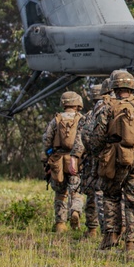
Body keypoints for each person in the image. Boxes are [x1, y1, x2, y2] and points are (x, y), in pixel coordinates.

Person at [87, 69, 134, 253]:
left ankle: (111, 234)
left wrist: (98, 153)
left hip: (114, 157)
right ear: (131, 86)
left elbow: (97, 135)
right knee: (132, 199)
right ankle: (131, 242)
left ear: (113, 87)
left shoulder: (107, 107)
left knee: (110, 195)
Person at [42, 90, 86, 232]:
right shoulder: (82, 119)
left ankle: (60, 224)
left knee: (60, 194)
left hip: (58, 160)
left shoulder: (56, 120)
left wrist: (48, 157)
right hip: (76, 161)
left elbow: (47, 141)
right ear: (77, 103)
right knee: (76, 191)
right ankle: (75, 212)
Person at [77, 78, 110, 239]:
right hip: (121, 159)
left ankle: (93, 229)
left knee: (94, 194)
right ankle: (123, 231)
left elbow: (84, 138)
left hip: (97, 161)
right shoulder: (123, 109)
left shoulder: (90, 115)